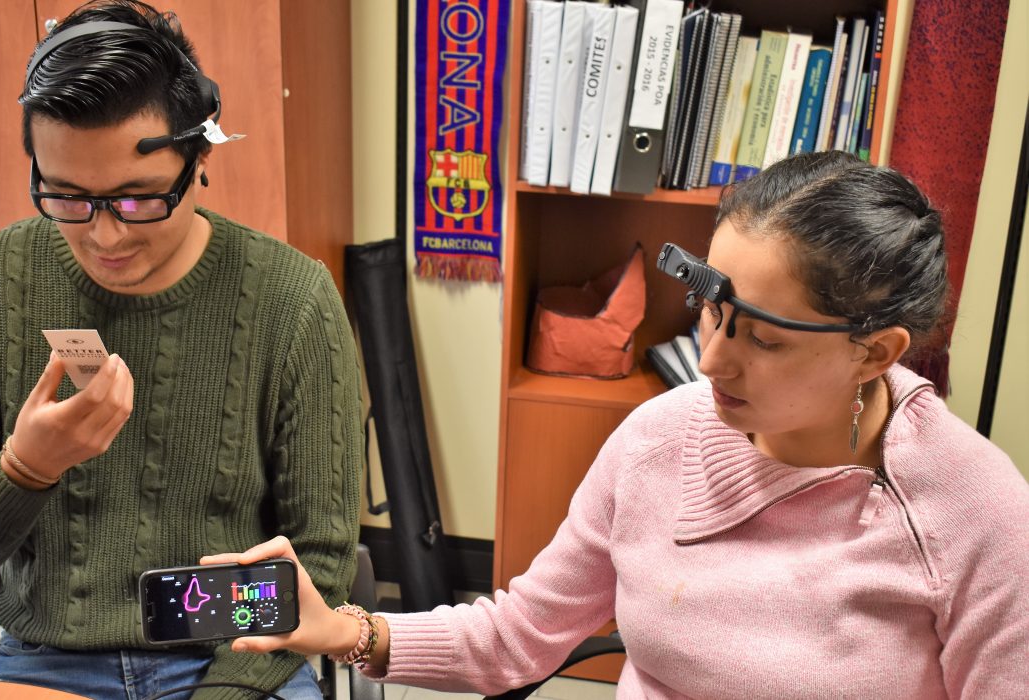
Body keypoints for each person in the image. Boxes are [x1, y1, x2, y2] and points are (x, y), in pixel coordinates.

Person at [205, 151, 1029, 698]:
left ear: (874, 352)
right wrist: (343, 631)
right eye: (709, 310)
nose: (711, 361)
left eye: (764, 340)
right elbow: (520, 635)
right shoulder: (658, 439)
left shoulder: (975, 512)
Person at [0, 1, 362, 698]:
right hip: (47, 661)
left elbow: (320, 561)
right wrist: (25, 469)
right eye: (67, 197)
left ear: (200, 157)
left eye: (139, 199)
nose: (105, 236)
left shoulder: (293, 301)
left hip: (237, 655)